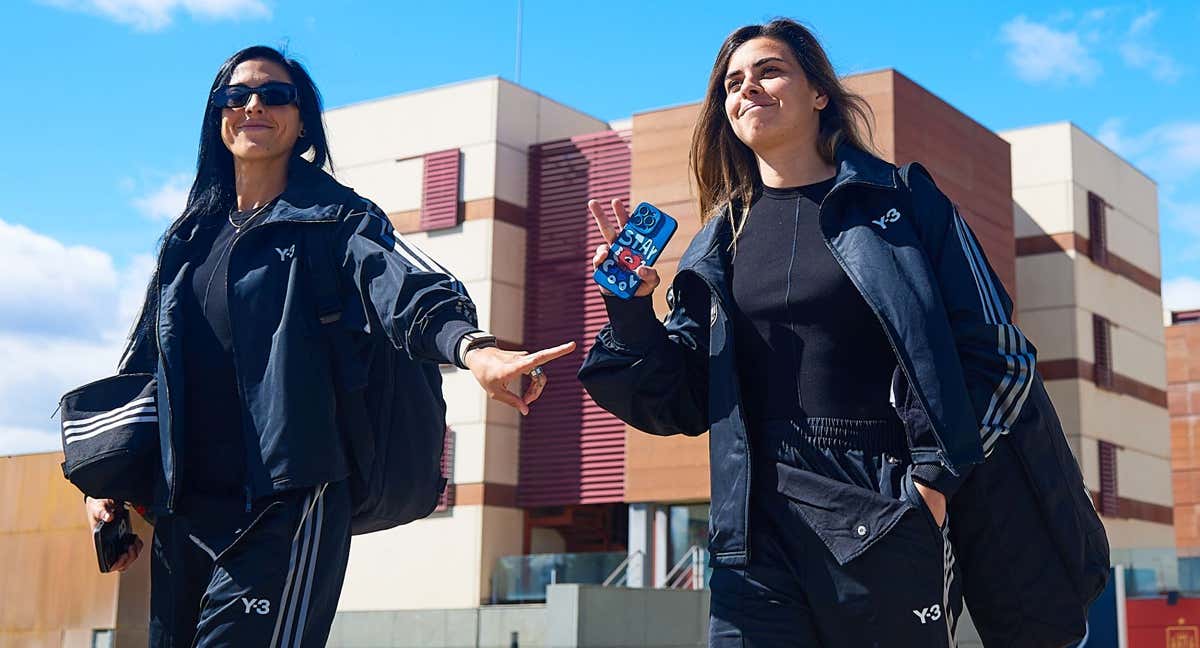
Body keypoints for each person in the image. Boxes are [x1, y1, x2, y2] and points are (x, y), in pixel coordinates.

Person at [83, 45, 574, 647]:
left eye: (275, 94)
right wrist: (108, 479)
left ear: (303, 119)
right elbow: (143, 369)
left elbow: (408, 285)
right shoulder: (187, 242)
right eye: (236, 96)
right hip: (184, 512)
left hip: (289, 502)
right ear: (218, 118)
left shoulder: (338, 219)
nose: (254, 105)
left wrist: (474, 350)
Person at [579, 19, 1037, 647]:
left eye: (770, 70)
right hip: (752, 526)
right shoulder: (717, 241)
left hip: (879, 505)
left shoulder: (901, 203)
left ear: (820, 92)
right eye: (732, 83)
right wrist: (631, 311)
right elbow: (681, 399)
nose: (750, 89)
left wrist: (932, 485)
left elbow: (998, 353)